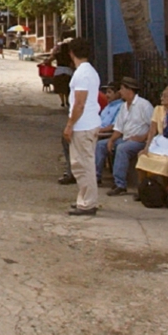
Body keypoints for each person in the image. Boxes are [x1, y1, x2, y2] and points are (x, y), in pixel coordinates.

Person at [63, 38, 102, 215]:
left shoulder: (82, 74)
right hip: (89, 122)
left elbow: (79, 103)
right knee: (83, 163)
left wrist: (70, 124)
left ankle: (88, 202)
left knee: (83, 164)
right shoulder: (90, 72)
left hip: (83, 124)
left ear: (72, 53)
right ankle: (85, 198)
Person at [99, 78, 154, 197]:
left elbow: (154, 126)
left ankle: (120, 184)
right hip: (125, 138)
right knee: (101, 145)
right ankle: (96, 177)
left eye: (122, 89)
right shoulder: (124, 107)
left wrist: (143, 137)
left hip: (140, 141)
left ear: (130, 90)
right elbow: (118, 128)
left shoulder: (144, 105)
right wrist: (111, 140)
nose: (120, 92)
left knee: (122, 149)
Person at [92, 84, 124, 184]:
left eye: (110, 92)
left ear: (118, 94)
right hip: (99, 129)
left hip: (109, 133)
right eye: (106, 92)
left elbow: (114, 125)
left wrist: (99, 131)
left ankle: (95, 175)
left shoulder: (121, 107)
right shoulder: (108, 106)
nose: (107, 95)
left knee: (98, 145)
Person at [51, 42, 73, 110]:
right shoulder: (70, 55)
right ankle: (67, 100)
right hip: (68, 72)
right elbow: (72, 64)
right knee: (67, 87)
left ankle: (62, 101)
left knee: (59, 87)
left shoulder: (57, 55)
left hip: (59, 71)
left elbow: (49, 60)